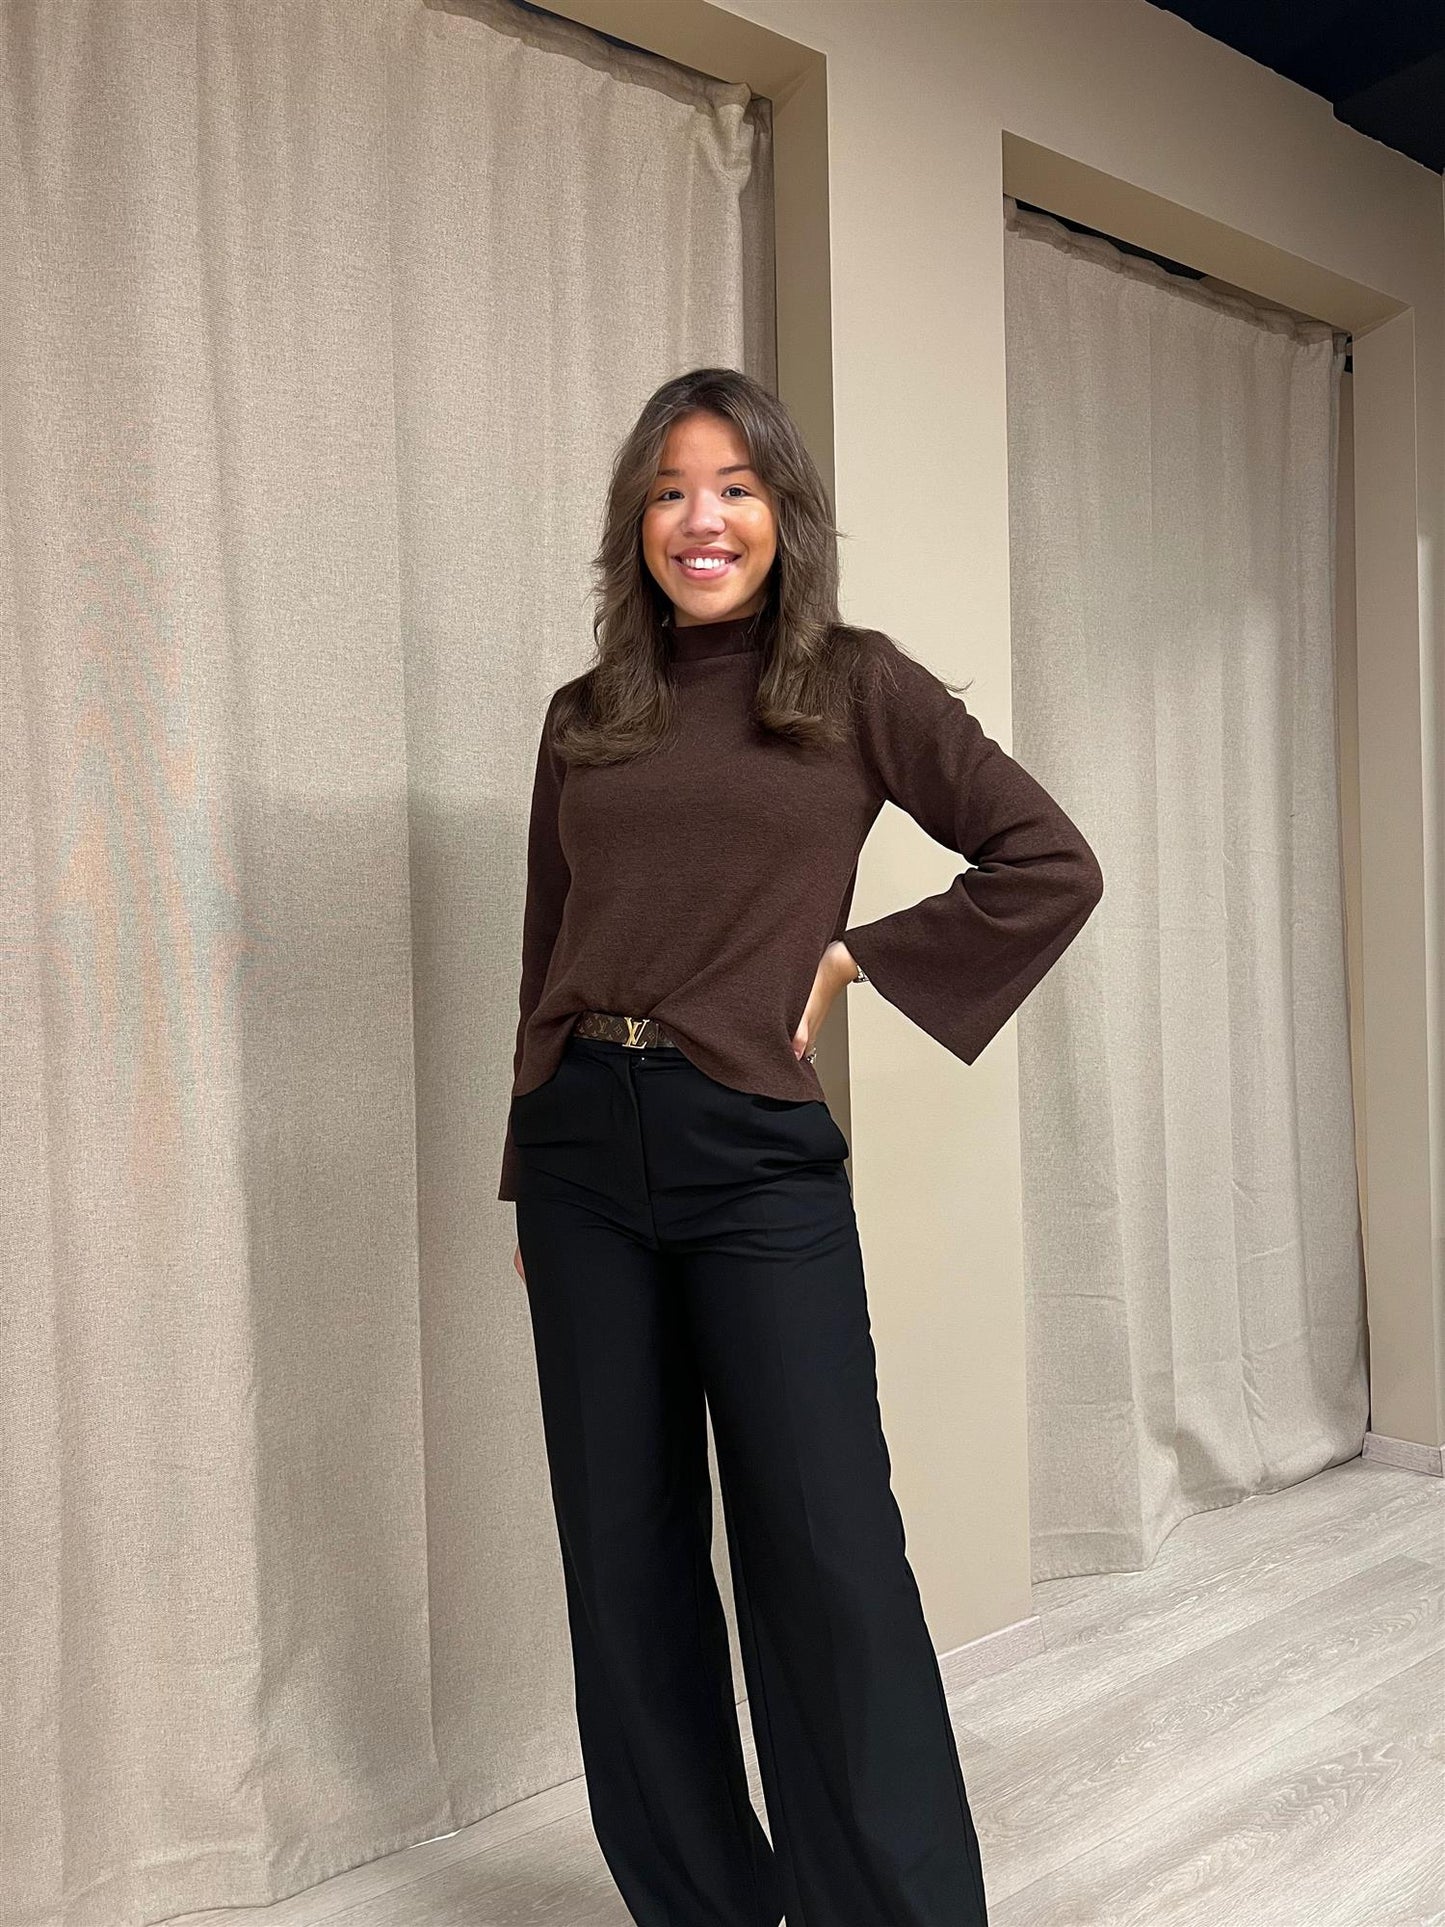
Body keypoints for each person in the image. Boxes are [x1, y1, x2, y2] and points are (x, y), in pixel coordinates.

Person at [500, 365, 1103, 1927]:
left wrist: (851, 960)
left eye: (734, 488)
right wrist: (520, 1168)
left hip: (747, 1148)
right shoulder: (584, 716)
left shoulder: (852, 684)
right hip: (579, 1148)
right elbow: (547, 942)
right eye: (668, 492)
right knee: (623, 1557)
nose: (699, 520)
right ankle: (702, 1903)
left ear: (782, 513)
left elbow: (1047, 861)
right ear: (634, 522)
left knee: (827, 1550)